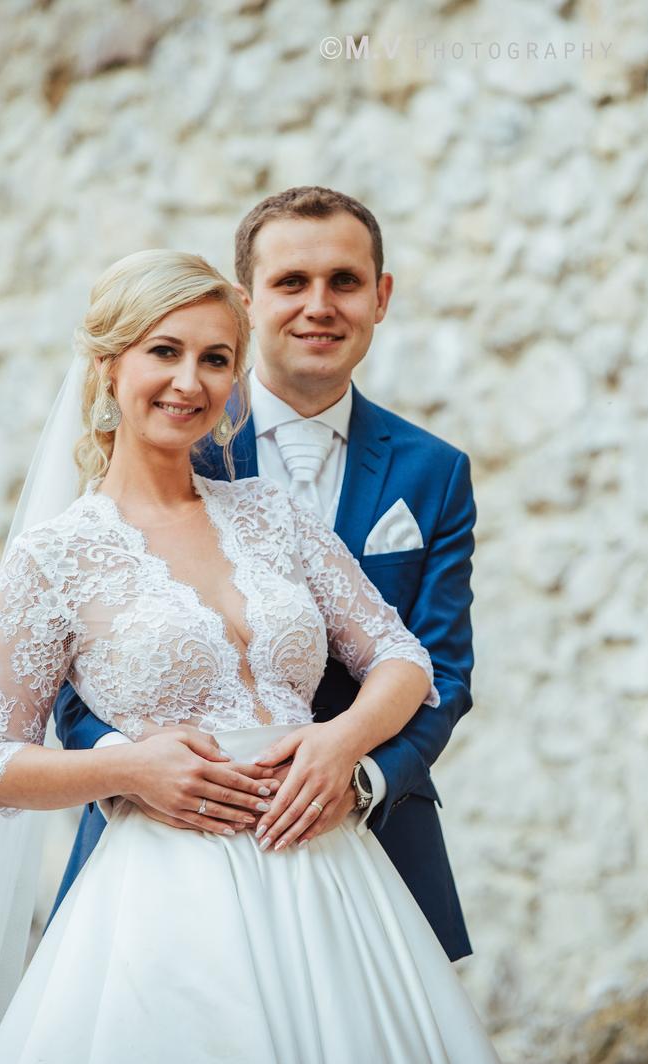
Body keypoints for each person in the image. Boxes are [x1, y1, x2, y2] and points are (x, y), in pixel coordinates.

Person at [0, 249, 500, 1064]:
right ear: (109, 366)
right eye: (164, 351)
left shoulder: (270, 513)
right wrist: (129, 768)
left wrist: (338, 743)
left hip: (327, 867)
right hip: (165, 896)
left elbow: (404, 658)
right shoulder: (54, 556)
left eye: (215, 358)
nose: (189, 381)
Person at [48, 187, 477, 962]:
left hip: (373, 847)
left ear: (380, 297)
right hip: (168, 849)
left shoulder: (435, 471)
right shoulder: (170, 430)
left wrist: (356, 769)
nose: (320, 306)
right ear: (246, 304)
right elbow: (77, 673)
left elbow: (441, 667)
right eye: (291, 282)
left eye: (344, 281)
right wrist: (140, 769)